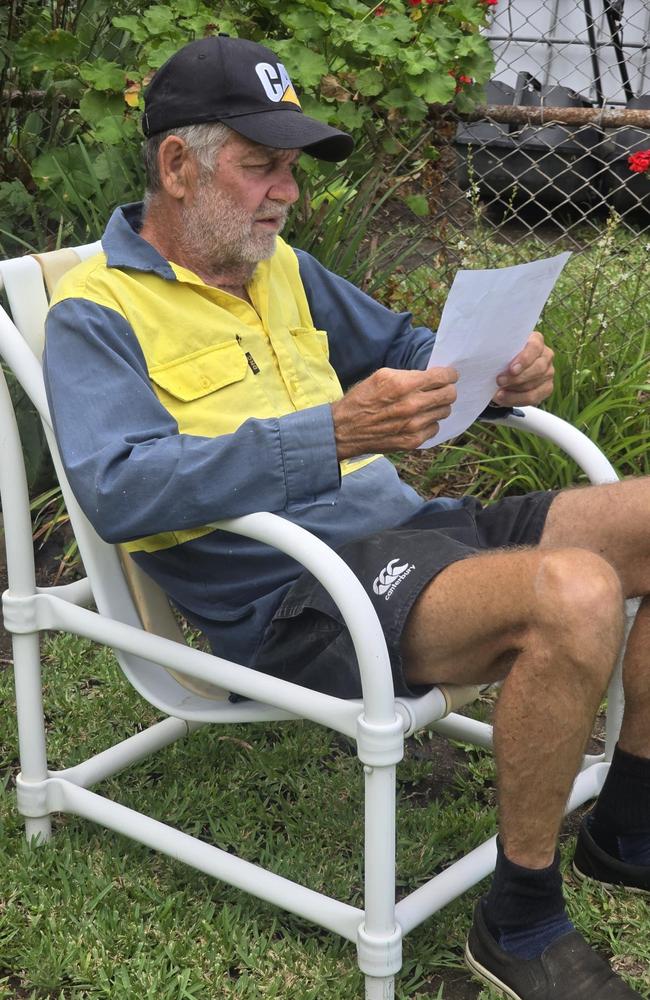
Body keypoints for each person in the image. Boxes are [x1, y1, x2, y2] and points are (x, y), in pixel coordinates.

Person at [42, 35, 649, 1000]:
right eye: (260, 166)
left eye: (291, 169)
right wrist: (325, 435)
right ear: (175, 165)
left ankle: (627, 827)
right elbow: (121, 490)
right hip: (302, 596)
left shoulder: (280, 266)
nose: (286, 191)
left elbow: (406, 346)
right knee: (575, 592)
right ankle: (519, 920)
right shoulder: (95, 314)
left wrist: (494, 372)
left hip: (417, 534)